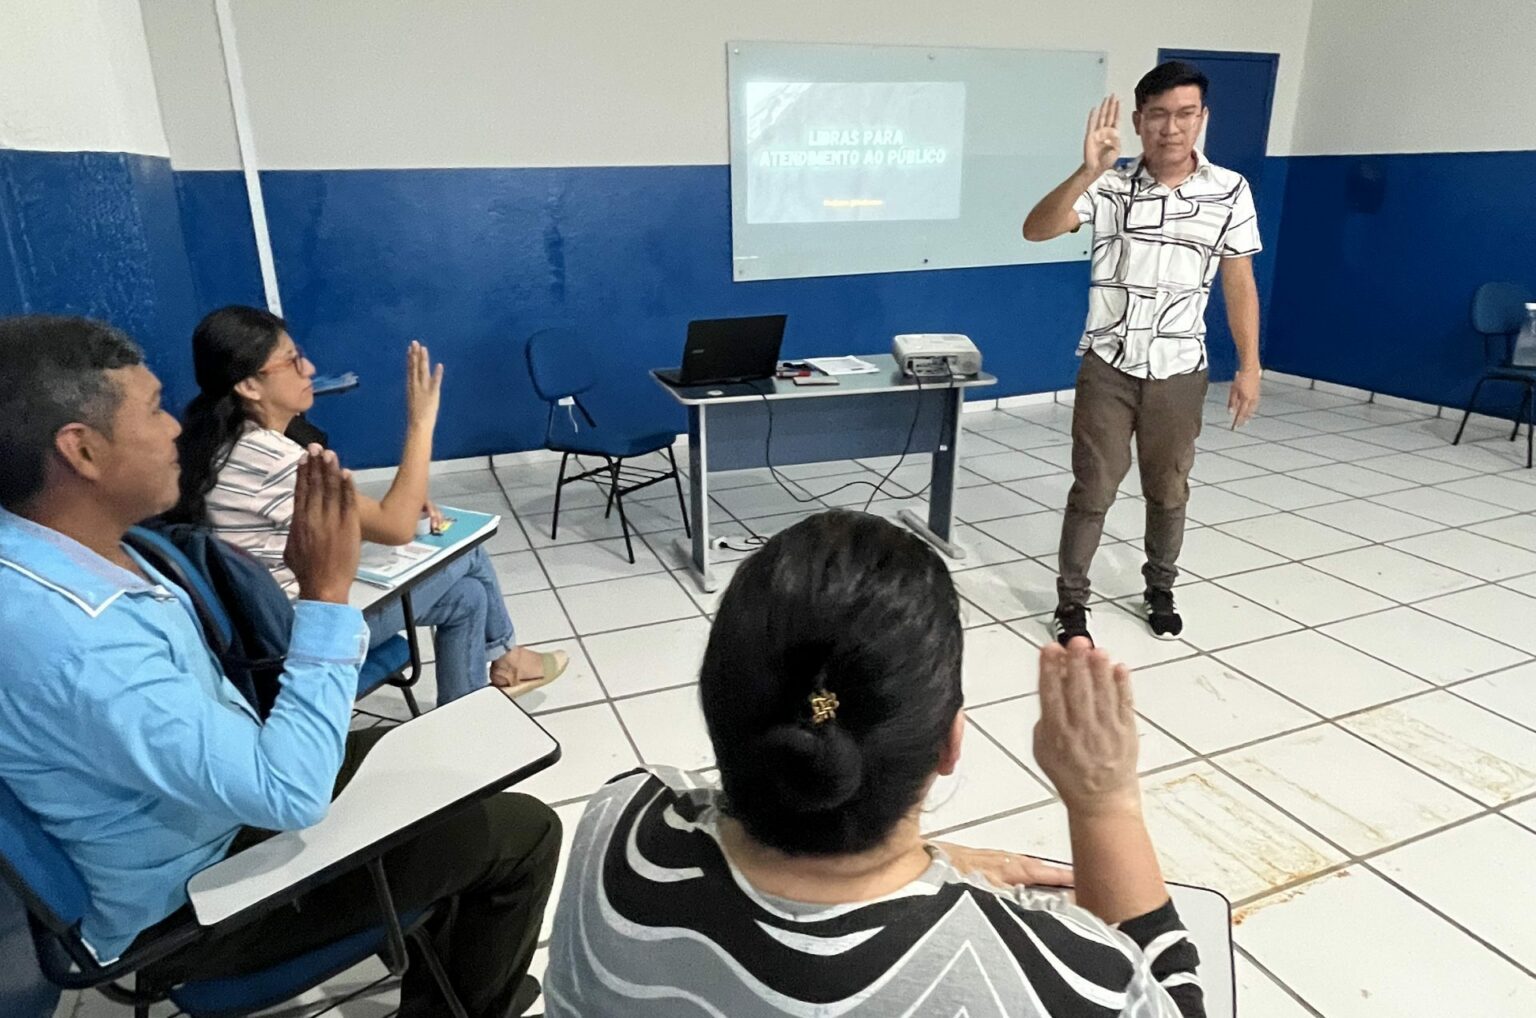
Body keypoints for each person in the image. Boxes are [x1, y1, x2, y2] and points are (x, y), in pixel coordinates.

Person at [0, 315, 559, 1016]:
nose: (175, 427)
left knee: (446, 777)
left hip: (211, 812)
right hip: (196, 902)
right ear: (81, 450)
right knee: (524, 833)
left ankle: (441, 951)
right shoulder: (81, 644)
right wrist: (326, 592)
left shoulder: (47, 554)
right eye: (152, 409)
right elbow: (290, 793)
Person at [544, 510, 1203, 1017]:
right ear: (950, 743)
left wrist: (935, 868)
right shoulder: (1063, 979)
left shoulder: (619, 819)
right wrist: (1104, 803)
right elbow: (1169, 999)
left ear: (716, 708)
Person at [168, 304, 565, 703]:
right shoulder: (277, 461)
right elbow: (396, 528)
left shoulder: (223, 446)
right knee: (468, 553)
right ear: (249, 385)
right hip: (300, 636)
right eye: (292, 362)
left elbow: (326, 518)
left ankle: (466, 708)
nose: (308, 369)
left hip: (266, 628)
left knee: (467, 597)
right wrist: (421, 423)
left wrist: (399, 503)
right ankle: (509, 657)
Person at [1022, 61, 1263, 645]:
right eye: (1157, 115)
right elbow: (1037, 228)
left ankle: (1160, 587)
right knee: (1094, 489)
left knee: (1169, 487)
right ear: (1138, 121)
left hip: (1180, 371)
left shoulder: (1230, 190)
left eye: (1184, 115)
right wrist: (1087, 169)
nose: (1171, 128)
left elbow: (1238, 282)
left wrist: (1250, 365)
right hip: (1109, 365)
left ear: (1202, 119)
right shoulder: (1109, 186)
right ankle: (1071, 602)